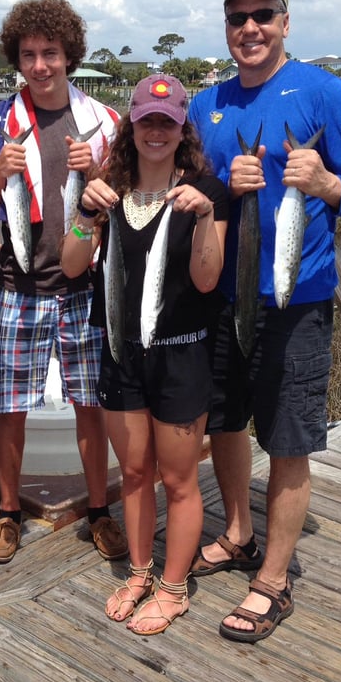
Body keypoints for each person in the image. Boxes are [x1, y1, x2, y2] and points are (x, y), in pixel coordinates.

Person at [188, 0, 341, 642]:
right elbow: (188, 188)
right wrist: (219, 182)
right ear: (227, 28)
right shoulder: (207, 103)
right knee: (224, 423)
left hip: (296, 299)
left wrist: (329, 181)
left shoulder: (323, 92)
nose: (250, 27)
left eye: (263, 14)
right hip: (221, 296)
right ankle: (241, 533)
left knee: (287, 438)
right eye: (238, 16)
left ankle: (272, 579)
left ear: (285, 22)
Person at [62, 74, 228, 634]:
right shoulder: (108, 189)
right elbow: (69, 264)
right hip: (120, 351)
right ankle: (138, 570)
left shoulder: (206, 190)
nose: (156, 131)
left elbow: (207, 281)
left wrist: (205, 216)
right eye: (146, 120)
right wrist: (85, 217)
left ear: (182, 130)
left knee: (179, 480)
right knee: (133, 473)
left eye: (168, 122)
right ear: (131, 126)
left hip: (181, 354)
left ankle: (174, 586)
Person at [0, 0, 128, 564]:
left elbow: (122, 204)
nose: (39, 66)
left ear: (70, 55)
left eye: (50, 53)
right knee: (9, 406)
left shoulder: (104, 122)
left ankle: (98, 511)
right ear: (16, 59)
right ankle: (8, 510)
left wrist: (95, 172)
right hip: (18, 285)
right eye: (28, 55)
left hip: (84, 289)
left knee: (91, 407)